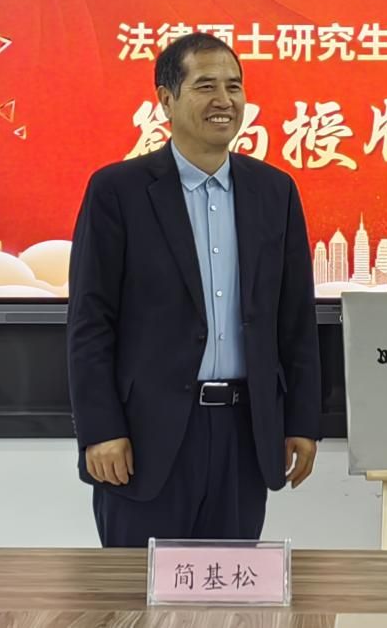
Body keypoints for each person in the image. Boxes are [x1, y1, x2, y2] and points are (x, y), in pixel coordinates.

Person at [67, 32, 321, 547]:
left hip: (245, 435)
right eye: (206, 86)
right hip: (145, 438)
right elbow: (91, 323)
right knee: (139, 590)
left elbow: (294, 318)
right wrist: (100, 429)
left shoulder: (274, 191)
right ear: (166, 99)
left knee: (231, 587)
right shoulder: (118, 191)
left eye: (234, 86)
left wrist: (302, 421)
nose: (224, 100)